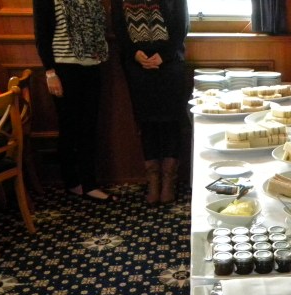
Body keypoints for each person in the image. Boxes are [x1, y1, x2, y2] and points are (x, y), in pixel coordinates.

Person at [33, 0, 117, 202]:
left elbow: (98, 28)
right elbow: (42, 34)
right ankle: (71, 182)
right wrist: (50, 73)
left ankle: (89, 184)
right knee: (69, 127)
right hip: (64, 69)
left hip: (92, 66)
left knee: (89, 127)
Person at [111, 0, 189, 205]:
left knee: (171, 123)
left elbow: (182, 26)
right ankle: (153, 182)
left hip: (169, 64)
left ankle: (168, 183)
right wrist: (134, 53)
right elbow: (118, 27)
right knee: (147, 124)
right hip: (137, 67)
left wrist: (163, 55)